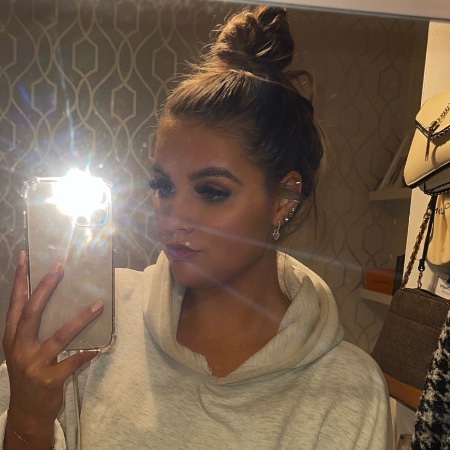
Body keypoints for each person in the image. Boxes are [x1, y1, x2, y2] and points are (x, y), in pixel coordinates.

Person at [0, 6, 391, 449]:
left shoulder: (347, 391)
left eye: (212, 191)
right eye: (163, 186)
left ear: (283, 198)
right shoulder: (96, 321)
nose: (173, 218)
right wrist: (28, 416)